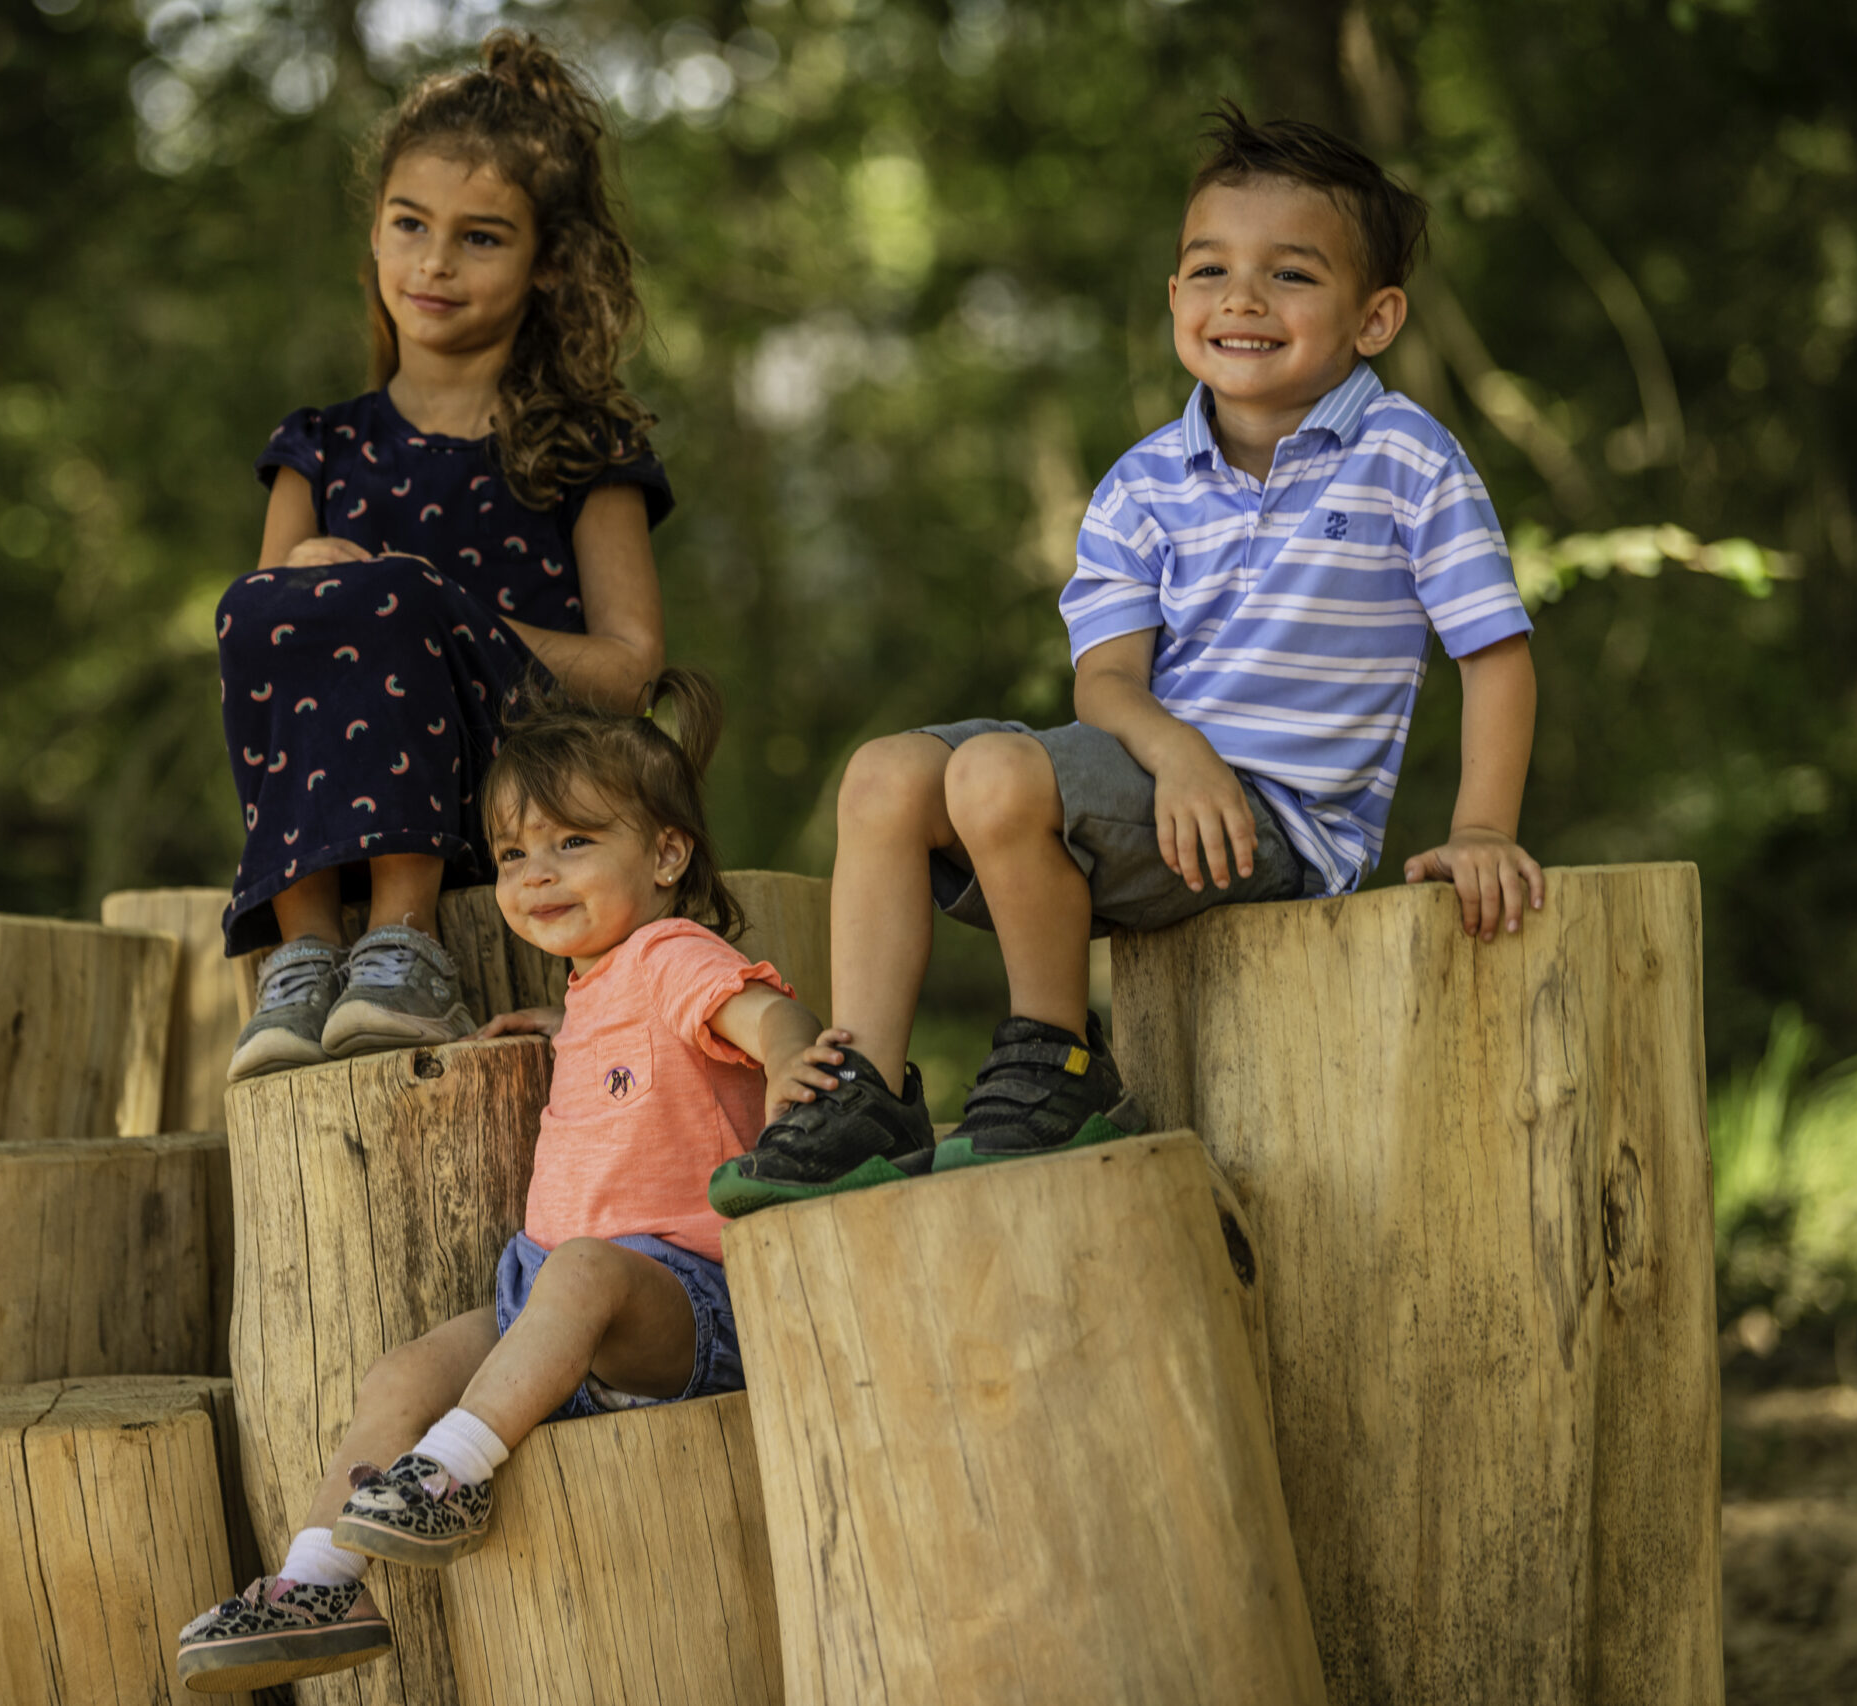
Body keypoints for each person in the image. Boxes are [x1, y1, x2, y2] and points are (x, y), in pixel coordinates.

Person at [711, 102, 1546, 1212]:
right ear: (1173, 299)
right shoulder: (1143, 481)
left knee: (996, 774)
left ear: (1374, 317)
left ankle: (1057, 1060)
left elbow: (1494, 650)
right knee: (883, 775)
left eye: (1290, 275)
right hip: (1158, 776)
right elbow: (1104, 682)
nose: (1240, 299)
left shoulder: (1406, 458)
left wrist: (1482, 826)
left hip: (1281, 823)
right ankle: (866, 1083)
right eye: (1209, 269)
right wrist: (1180, 751)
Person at [174, 671, 825, 1694]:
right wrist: (566, 1031)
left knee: (582, 1270)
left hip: (683, 1298)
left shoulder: (670, 948)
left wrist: (789, 1061)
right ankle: (319, 1579)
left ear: (666, 853)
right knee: (400, 1371)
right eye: (514, 851)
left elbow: (755, 1011)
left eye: (573, 842)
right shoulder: (598, 981)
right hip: (552, 1294)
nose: (534, 873)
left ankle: (450, 1474)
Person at [217, 31, 673, 1083]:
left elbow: (631, 666)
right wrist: (336, 586)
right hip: (336, 818)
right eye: (409, 224)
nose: (432, 262)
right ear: (372, 232)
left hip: (521, 794)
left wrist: (435, 609)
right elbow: (267, 639)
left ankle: (407, 942)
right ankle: (307, 949)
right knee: (258, 602)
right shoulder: (319, 446)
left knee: (382, 595)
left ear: (546, 263)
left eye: (480, 238)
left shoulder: (585, 445)